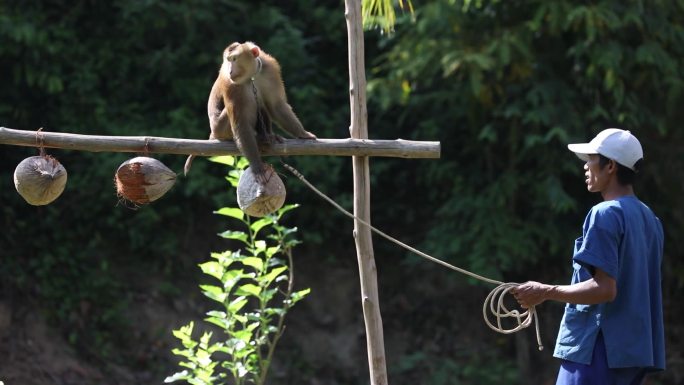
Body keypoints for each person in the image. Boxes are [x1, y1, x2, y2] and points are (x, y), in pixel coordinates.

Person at [510, 128, 665, 385]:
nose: (585, 167)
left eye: (591, 159)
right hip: (633, 356)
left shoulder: (604, 213)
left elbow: (604, 289)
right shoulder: (651, 219)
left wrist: (544, 291)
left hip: (598, 350)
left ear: (611, 166)